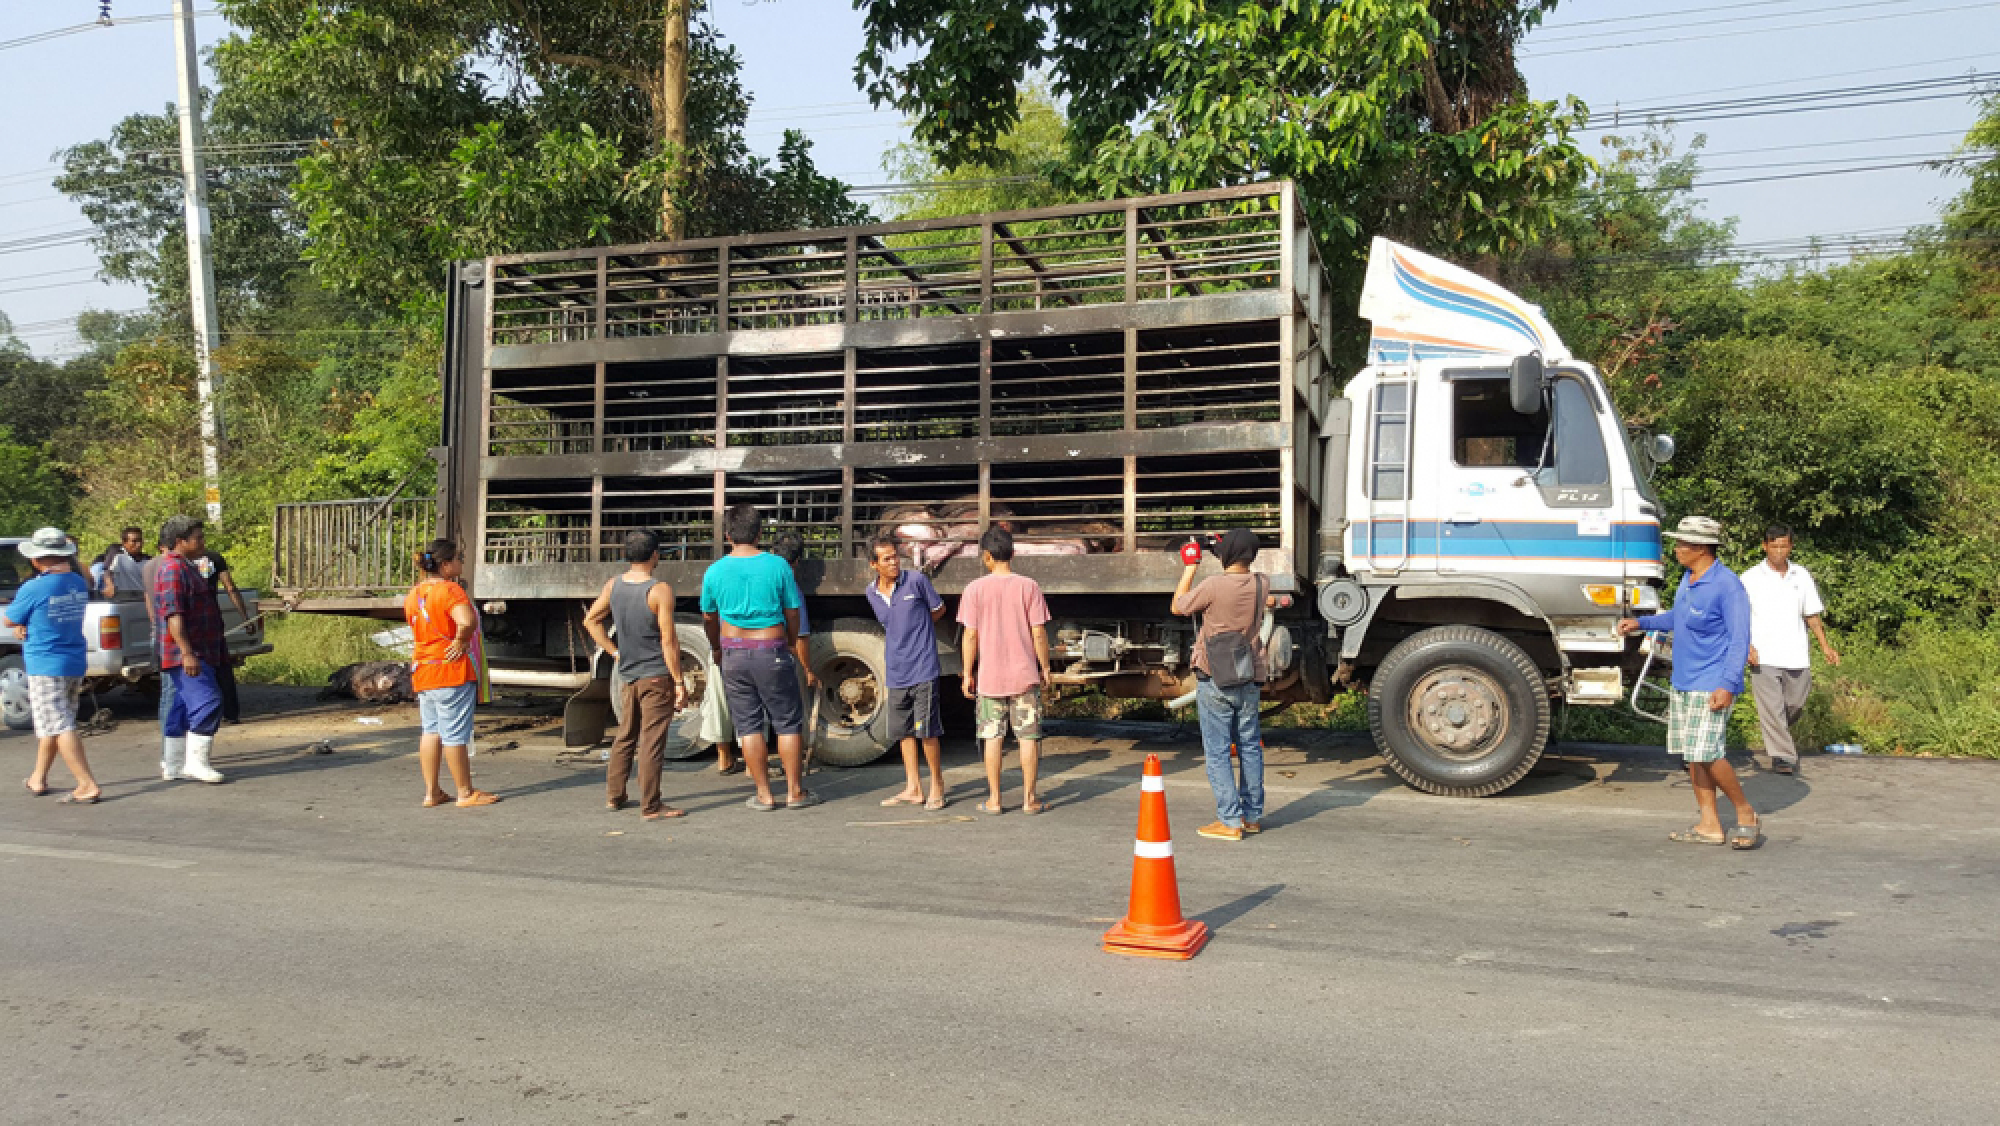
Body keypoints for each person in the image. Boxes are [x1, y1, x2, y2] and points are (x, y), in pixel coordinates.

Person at [1617, 515, 1762, 848]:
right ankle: (1709, 824)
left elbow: (1740, 640)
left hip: (1712, 682)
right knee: (1693, 756)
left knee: (1708, 753)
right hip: (1683, 679)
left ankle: (1745, 813)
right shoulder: (1689, 579)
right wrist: (1642, 623)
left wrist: (1727, 684)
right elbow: (1679, 617)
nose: (1676, 549)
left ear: (1701, 548)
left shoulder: (1728, 586)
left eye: (1682, 544)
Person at [701, 505, 817, 811]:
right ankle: (794, 792)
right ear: (760, 533)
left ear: (728, 535)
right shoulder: (778, 566)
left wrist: (716, 647)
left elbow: (709, 617)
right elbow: (792, 612)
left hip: (734, 653)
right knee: (787, 723)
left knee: (748, 725)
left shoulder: (714, 571)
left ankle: (764, 795)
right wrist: (790, 642)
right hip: (771, 650)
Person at [1172, 528, 1275, 842]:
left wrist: (1190, 567)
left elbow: (1178, 606)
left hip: (1216, 676)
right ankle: (1252, 816)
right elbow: (1256, 591)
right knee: (1249, 747)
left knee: (1217, 752)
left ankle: (1229, 821)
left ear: (1227, 554)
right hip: (1250, 675)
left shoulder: (1213, 585)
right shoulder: (1262, 583)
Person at [584, 529, 690, 820]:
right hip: (655, 674)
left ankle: (614, 795)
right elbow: (668, 640)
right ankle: (651, 805)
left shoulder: (613, 585)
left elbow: (590, 620)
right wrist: (679, 681)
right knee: (651, 742)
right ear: (655, 555)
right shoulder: (659, 590)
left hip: (628, 674)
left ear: (626, 555)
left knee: (625, 736)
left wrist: (614, 652)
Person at [958, 525, 1053, 815]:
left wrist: (967, 673)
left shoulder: (974, 589)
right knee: (1028, 738)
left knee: (992, 738)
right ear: (1012, 554)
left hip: (990, 678)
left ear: (986, 556)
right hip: (1024, 676)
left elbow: (970, 635)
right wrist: (1045, 667)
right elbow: (1038, 632)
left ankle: (995, 800)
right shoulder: (1029, 586)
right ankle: (1029, 800)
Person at [5, 527, 102, 804]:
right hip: (73, 661)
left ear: (36, 560)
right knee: (54, 721)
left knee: (59, 725)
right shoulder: (77, 582)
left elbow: (10, 619)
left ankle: (86, 784)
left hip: (45, 664)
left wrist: (21, 624)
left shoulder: (34, 587)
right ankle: (38, 778)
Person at [403, 539, 500, 808]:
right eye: (458, 558)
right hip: (450, 671)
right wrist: (460, 641)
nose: (461, 563)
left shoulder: (415, 594)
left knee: (431, 731)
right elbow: (466, 621)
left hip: (424, 670)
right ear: (445, 565)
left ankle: (432, 792)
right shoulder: (450, 590)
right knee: (455, 735)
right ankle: (465, 792)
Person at [1740, 524, 1840, 776]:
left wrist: (1825, 646)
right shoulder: (1750, 578)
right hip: (1763, 655)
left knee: (1795, 703)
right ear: (1764, 546)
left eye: (1783, 546)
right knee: (1772, 708)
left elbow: (1811, 614)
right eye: (1774, 546)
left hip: (1796, 653)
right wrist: (1746, 645)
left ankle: (1776, 732)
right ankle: (1783, 756)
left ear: (1791, 547)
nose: (1778, 551)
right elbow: (1738, 617)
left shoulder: (1800, 575)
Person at [865, 533, 949, 810]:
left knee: (927, 732)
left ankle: (937, 785)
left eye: (895, 557)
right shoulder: (871, 593)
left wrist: (920, 627)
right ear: (874, 564)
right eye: (886, 559)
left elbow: (938, 610)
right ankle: (913, 787)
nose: (894, 563)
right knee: (903, 733)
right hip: (896, 671)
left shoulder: (916, 581)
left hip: (923, 668)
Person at [152, 516, 229, 784]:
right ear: (180, 541)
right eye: (198, 538)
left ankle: (173, 765)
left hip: (200, 648)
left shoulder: (188, 566)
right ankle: (196, 763)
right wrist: (186, 652)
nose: (203, 542)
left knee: (181, 706)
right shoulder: (173, 569)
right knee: (208, 702)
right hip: (188, 652)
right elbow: (174, 614)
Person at [193, 546, 251, 724]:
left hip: (190, 620)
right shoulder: (214, 557)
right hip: (212, 618)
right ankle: (230, 712)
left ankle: (201, 713)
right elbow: (230, 587)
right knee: (222, 665)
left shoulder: (178, 562)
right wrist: (245, 618)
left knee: (195, 667)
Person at [98, 525, 149, 599]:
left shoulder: (148, 560)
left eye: (140, 540)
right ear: (124, 543)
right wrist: (109, 585)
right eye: (134, 541)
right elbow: (107, 572)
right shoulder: (118, 556)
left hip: (142, 601)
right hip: (122, 600)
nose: (138, 544)